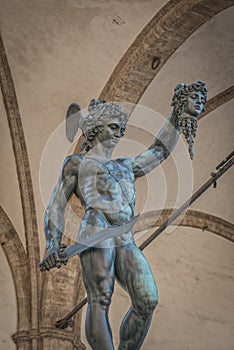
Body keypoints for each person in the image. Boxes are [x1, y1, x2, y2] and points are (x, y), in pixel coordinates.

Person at [41, 81, 207, 350]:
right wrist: (51, 244)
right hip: (96, 230)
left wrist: (177, 115)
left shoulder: (126, 165)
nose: (119, 133)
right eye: (113, 127)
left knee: (147, 300)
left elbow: (160, 150)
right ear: (96, 129)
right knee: (101, 297)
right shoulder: (78, 164)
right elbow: (57, 206)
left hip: (125, 236)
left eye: (121, 128)